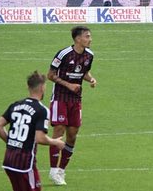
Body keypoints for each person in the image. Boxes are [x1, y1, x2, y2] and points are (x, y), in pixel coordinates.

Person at [0, 71, 65, 191]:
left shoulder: (15, 105)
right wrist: (55, 142)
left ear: (28, 87)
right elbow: (40, 138)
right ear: (42, 87)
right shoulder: (42, 110)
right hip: (25, 164)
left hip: (9, 161)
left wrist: (11, 142)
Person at [46, 26, 97, 186]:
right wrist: (68, 85)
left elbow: (84, 73)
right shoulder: (63, 54)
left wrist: (91, 79)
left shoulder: (90, 55)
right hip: (60, 98)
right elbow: (50, 75)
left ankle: (62, 170)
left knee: (73, 135)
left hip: (76, 100)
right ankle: (53, 170)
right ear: (78, 39)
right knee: (59, 131)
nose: (90, 39)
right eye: (87, 36)